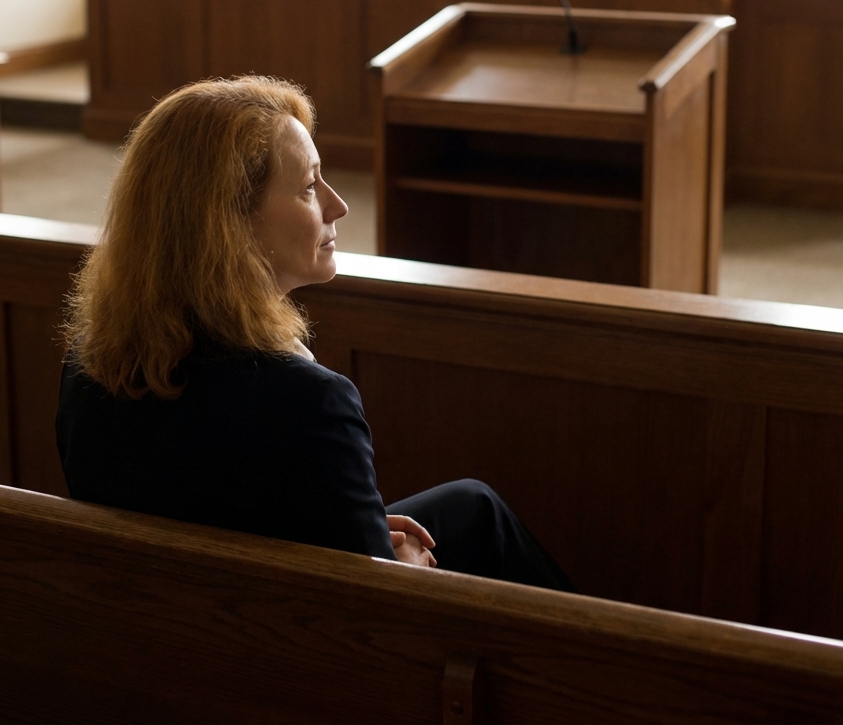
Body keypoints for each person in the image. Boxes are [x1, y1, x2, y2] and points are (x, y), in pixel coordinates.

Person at [57, 76, 575, 591]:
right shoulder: (311, 401)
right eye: (309, 187)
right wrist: (402, 575)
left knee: (472, 507)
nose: (338, 205)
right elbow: (368, 610)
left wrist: (365, 540)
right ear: (229, 224)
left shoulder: (89, 365)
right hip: (285, 653)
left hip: (153, 628)